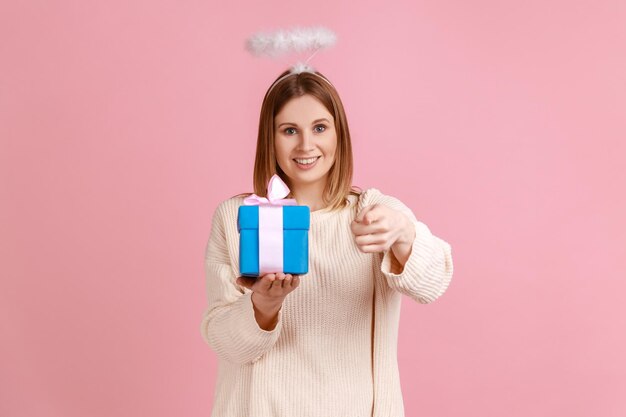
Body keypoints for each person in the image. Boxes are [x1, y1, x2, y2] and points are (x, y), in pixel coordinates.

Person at [200, 67, 454, 417]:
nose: (306, 145)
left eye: (319, 128)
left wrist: (405, 233)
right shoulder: (236, 218)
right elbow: (226, 343)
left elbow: (434, 282)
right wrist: (263, 306)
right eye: (289, 130)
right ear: (270, 139)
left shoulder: (374, 212)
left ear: (339, 135)